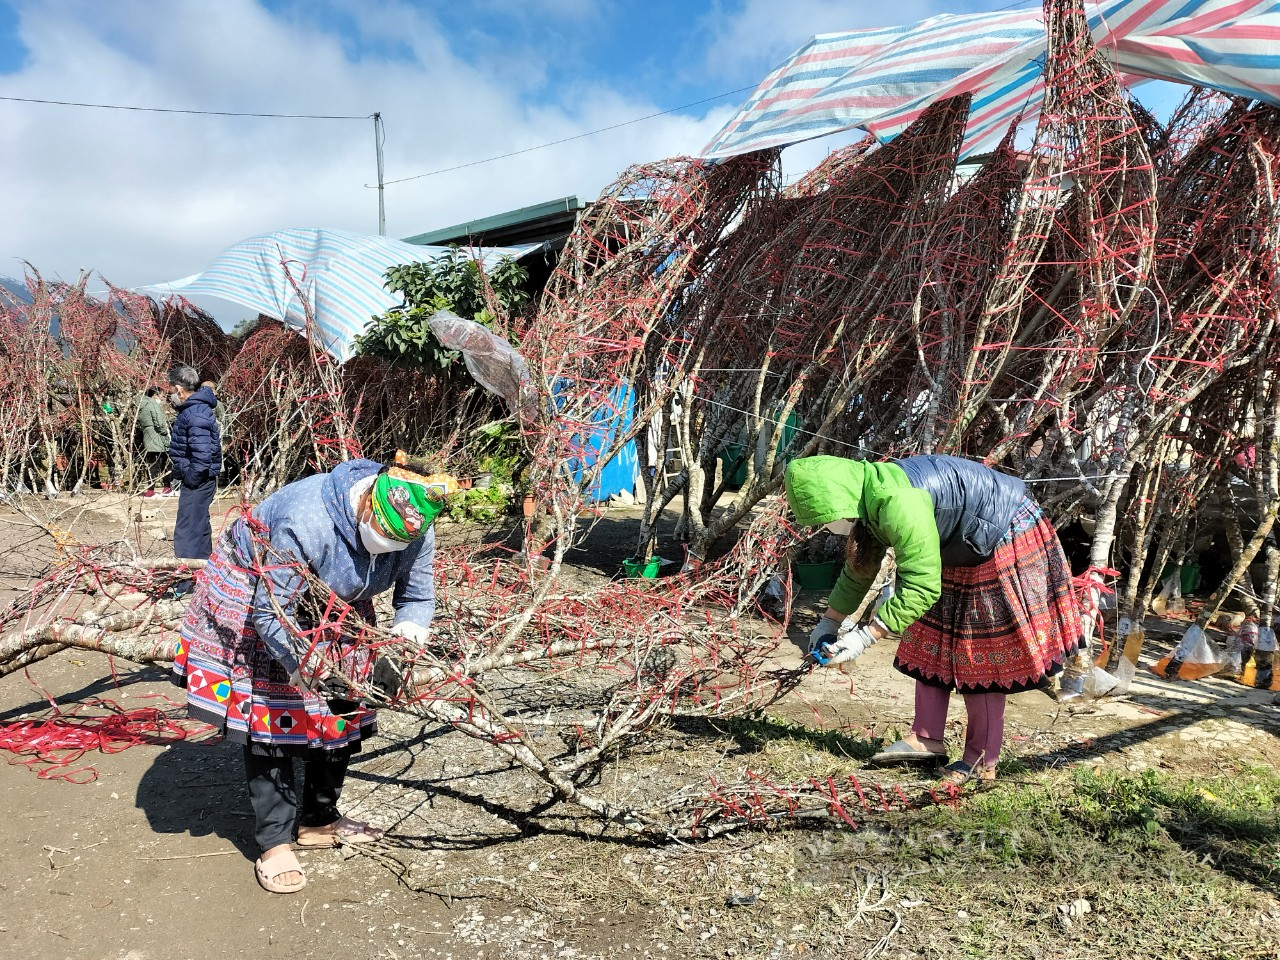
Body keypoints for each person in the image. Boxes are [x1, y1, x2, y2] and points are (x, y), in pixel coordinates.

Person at [172, 452, 460, 894]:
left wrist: (400, 650)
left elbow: (417, 597)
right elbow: (272, 615)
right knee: (270, 712)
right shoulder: (304, 519)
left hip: (335, 600)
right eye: (378, 540)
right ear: (366, 504)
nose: (384, 553)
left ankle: (318, 819)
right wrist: (311, 670)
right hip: (261, 592)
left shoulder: (418, 525)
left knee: (345, 707)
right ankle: (273, 841)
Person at [784, 454, 1084, 783]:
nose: (832, 524)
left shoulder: (898, 502)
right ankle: (926, 739)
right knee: (928, 637)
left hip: (999, 532)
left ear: (840, 496)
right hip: (962, 541)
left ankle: (981, 759)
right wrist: (829, 622)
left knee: (979, 653)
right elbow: (860, 572)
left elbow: (921, 588)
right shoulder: (870, 497)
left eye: (829, 515)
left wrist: (865, 637)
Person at [167, 365, 222, 560]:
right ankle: (202, 570)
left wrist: (190, 477)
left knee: (188, 529)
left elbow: (202, 455)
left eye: (171, 391)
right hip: (197, 477)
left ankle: (185, 578)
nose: (171, 396)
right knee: (199, 524)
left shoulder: (195, 413)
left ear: (179, 389)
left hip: (198, 479)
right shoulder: (193, 409)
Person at [134, 386, 172, 497]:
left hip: (148, 436)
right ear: (155, 395)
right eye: (162, 395)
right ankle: (166, 488)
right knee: (163, 463)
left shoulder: (142, 405)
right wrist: (165, 432)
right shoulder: (153, 405)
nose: (163, 398)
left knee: (152, 464)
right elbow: (159, 422)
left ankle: (150, 489)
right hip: (158, 437)